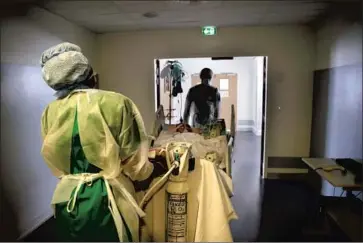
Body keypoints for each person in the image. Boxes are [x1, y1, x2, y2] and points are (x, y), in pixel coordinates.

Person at [40, 42, 163, 242]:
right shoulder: (116, 103)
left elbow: (52, 156)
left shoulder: (50, 111)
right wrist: (153, 168)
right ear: (91, 77)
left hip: (68, 197)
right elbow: (136, 165)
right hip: (108, 198)